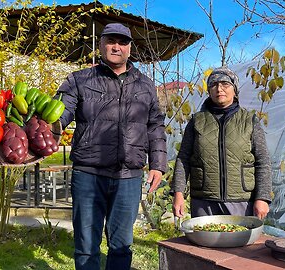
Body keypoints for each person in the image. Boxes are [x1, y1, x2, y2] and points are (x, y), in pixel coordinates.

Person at [56, 23, 167, 270]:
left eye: (122, 42)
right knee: (86, 245)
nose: (116, 46)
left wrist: (158, 164)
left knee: (121, 245)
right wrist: (47, 128)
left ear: (130, 48)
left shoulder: (145, 85)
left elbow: (155, 126)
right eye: (111, 41)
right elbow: (59, 113)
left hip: (128, 176)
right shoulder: (80, 80)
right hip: (88, 174)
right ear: (101, 44)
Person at [171, 67, 271, 220]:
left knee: (239, 242)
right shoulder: (197, 121)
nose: (219, 89)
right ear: (209, 90)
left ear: (235, 89)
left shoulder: (250, 121)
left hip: (241, 201)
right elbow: (183, 159)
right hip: (203, 201)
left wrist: (262, 198)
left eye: (225, 84)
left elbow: (263, 161)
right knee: (204, 241)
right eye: (213, 85)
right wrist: (178, 194)